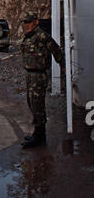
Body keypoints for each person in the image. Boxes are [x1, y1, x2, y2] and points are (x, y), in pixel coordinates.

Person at [20, 11, 64, 149]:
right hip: (29, 74)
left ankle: (40, 136)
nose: (27, 25)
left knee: (38, 105)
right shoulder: (29, 36)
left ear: (36, 22)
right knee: (31, 103)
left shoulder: (42, 36)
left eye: (29, 22)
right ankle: (37, 133)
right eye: (25, 22)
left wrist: (62, 66)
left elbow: (56, 50)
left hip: (39, 75)